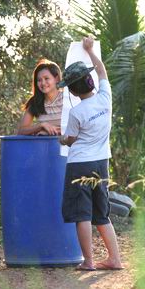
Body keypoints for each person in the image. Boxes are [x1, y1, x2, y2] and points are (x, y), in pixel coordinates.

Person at [59, 37, 123, 271]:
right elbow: (102, 71)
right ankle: (115, 258)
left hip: (79, 166)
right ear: (90, 81)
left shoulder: (77, 113)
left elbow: (71, 139)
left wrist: (62, 138)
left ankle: (89, 261)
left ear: (74, 92)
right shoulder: (106, 98)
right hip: (101, 163)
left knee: (82, 214)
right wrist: (89, 50)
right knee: (101, 213)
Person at [17, 59, 63, 136]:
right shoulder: (35, 102)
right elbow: (21, 131)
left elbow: (79, 127)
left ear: (57, 79)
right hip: (45, 147)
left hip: (69, 146)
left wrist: (50, 132)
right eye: (39, 80)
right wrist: (41, 126)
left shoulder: (67, 98)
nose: (43, 83)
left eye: (46, 78)